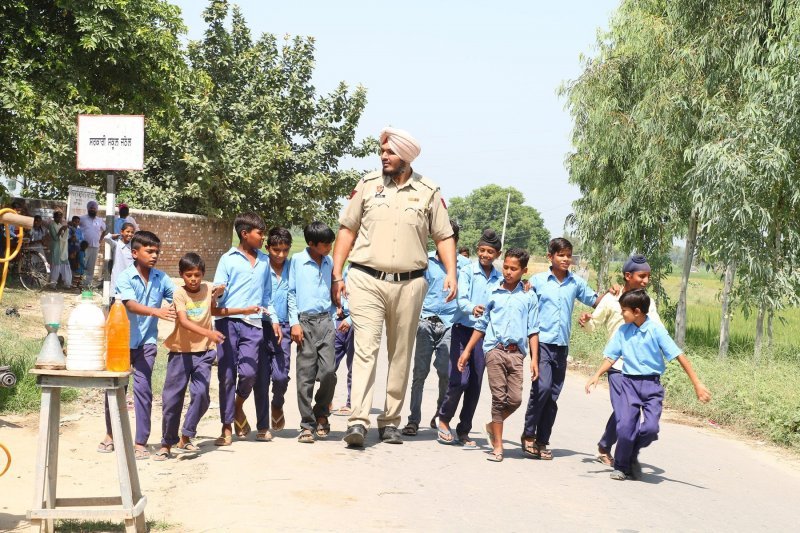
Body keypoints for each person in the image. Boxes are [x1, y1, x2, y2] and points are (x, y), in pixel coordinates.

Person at [332, 127, 456, 448]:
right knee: (365, 350)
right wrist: (337, 273)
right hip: (366, 279)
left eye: (390, 152)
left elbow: (443, 236)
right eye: (382, 152)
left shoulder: (428, 191)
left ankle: (390, 421)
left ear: (407, 156)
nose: (383, 156)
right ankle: (358, 420)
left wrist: (451, 273)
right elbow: (347, 229)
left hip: (410, 283)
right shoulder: (368, 186)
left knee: (401, 353)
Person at [586, 289, 711, 480]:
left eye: (624, 310)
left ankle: (630, 452)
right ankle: (620, 466)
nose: (621, 313)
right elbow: (611, 357)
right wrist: (597, 375)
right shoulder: (623, 331)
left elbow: (679, 356)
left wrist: (697, 383)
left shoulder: (656, 331)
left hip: (652, 386)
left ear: (637, 311)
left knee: (651, 429)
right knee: (625, 428)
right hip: (629, 384)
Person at [521, 237, 606, 460]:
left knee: (553, 395)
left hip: (562, 346)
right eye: (561, 255)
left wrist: (615, 293)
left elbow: (596, 301)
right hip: (542, 344)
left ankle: (542, 440)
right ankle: (528, 435)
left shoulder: (575, 283)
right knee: (542, 388)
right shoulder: (538, 281)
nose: (566, 259)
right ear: (550, 257)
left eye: (568, 255)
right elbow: (523, 303)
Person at [97, 231, 176, 460]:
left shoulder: (162, 278)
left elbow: (177, 297)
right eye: (149, 251)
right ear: (134, 253)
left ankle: (140, 442)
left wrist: (201, 297)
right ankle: (111, 434)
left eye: (157, 252)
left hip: (147, 343)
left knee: (143, 391)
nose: (154, 256)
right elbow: (130, 305)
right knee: (116, 388)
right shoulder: (124, 278)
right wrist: (157, 311)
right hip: (121, 342)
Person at [578, 254, 662, 466]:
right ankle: (620, 454)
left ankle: (607, 445)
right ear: (628, 276)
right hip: (616, 365)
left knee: (625, 412)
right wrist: (586, 321)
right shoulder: (611, 299)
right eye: (642, 276)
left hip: (641, 368)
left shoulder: (647, 302)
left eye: (647, 277)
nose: (645, 281)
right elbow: (593, 326)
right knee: (624, 411)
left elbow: (658, 329)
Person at [457, 248, 540, 462]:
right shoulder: (493, 292)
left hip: (516, 354)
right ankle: (498, 446)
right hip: (494, 349)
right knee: (499, 399)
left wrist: (534, 360)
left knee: (515, 399)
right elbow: (482, 324)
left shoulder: (529, 296)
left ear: (524, 271)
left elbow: (533, 330)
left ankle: (492, 425)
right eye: (506, 267)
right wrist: (467, 350)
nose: (508, 272)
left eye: (514, 269)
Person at [212, 212, 277, 445]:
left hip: (254, 324)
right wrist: (218, 290)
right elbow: (219, 287)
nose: (263, 238)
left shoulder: (264, 261)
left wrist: (275, 319)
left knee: (249, 373)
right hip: (227, 322)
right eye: (260, 233)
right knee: (227, 375)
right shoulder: (227, 259)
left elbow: (267, 295)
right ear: (245, 234)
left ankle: (238, 406)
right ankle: (226, 428)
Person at [402, 219, 470, 436]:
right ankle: (413, 419)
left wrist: (525, 284)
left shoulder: (465, 266)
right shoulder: (425, 261)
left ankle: (441, 414)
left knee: (445, 373)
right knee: (419, 374)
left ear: (455, 242)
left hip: (451, 325)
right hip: (426, 323)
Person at [155, 253, 224, 460]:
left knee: (202, 394)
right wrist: (209, 333)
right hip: (180, 352)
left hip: (204, 352)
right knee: (172, 399)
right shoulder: (179, 294)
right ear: (181, 275)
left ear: (203, 274)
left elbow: (219, 295)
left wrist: (220, 292)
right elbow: (184, 321)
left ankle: (186, 435)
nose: (193, 279)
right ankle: (167, 442)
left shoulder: (207, 288)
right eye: (189, 275)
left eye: (197, 275)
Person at [437, 228, 502, 447]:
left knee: (474, 385)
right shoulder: (466, 272)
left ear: (497, 254)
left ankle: (464, 430)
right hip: (463, 331)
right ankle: (444, 419)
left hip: (484, 337)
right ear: (477, 250)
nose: (485, 255)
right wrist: (472, 308)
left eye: (490, 251)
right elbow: (461, 299)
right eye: (482, 250)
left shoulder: (500, 278)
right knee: (459, 379)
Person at [288, 221, 337, 443]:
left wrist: (335, 317)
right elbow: (291, 293)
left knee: (328, 372)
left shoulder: (330, 261)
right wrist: (294, 323)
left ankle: (321, 413)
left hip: (326, 321)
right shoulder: (297, 261)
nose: (328, 248)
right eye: (325, 245)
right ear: (311, 244)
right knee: (305, 375)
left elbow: (334, 291)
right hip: (304, 323)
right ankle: (306, 424)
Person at [253, 226, 292, 440]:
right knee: (260, 379)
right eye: (276, 250)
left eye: (285, 250)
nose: (280, 255)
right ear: (268, 248)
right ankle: (262, 426)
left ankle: (277, 403)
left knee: (281, 376)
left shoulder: (292, 267)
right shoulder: (259, 266)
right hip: (260, 325)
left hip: (283, 326)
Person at [332, 265, 354, 415]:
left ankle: (351, 402)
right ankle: (326, 399)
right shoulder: (346, 269)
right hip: (339, 320)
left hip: (356, 322)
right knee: (329, 364)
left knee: (354, 366)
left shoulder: (369, 272)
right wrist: (337, 308)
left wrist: (351, 319)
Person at [78, 200, 106, 289]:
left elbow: (105, 230)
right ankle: (79, 283)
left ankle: (87, 284)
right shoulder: (82, 218)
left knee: (91, 266)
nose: (92, 209)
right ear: (88, 209)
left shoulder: (100, 220)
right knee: (82, 265)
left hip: (95, 246)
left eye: (94, 208)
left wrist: (100, 239)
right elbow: (74, 227)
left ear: (96, 209)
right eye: (91, 208)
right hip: (84, 247)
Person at [103, 222, 135, 298]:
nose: (130, 234)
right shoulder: (116, 245)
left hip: (130, 277)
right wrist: (115, 235)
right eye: (128, 231)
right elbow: (106, 238)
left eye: (132, 232)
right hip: (118, 276)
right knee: (116, 299)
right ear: (122, 232)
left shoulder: (133, 246)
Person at [46, 211, 72, 289]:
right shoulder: (52, 225)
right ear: (54, 217)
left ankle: (67, 284)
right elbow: (55, 237)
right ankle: (52, 284)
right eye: (57, 217)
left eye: (60, 217)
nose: (59, 219)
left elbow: (64, 237)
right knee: (55, 266)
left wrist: (65, 229)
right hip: (56, 247)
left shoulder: (60, 224)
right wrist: (61, 230)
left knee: (65, 265)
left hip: (63, 248)